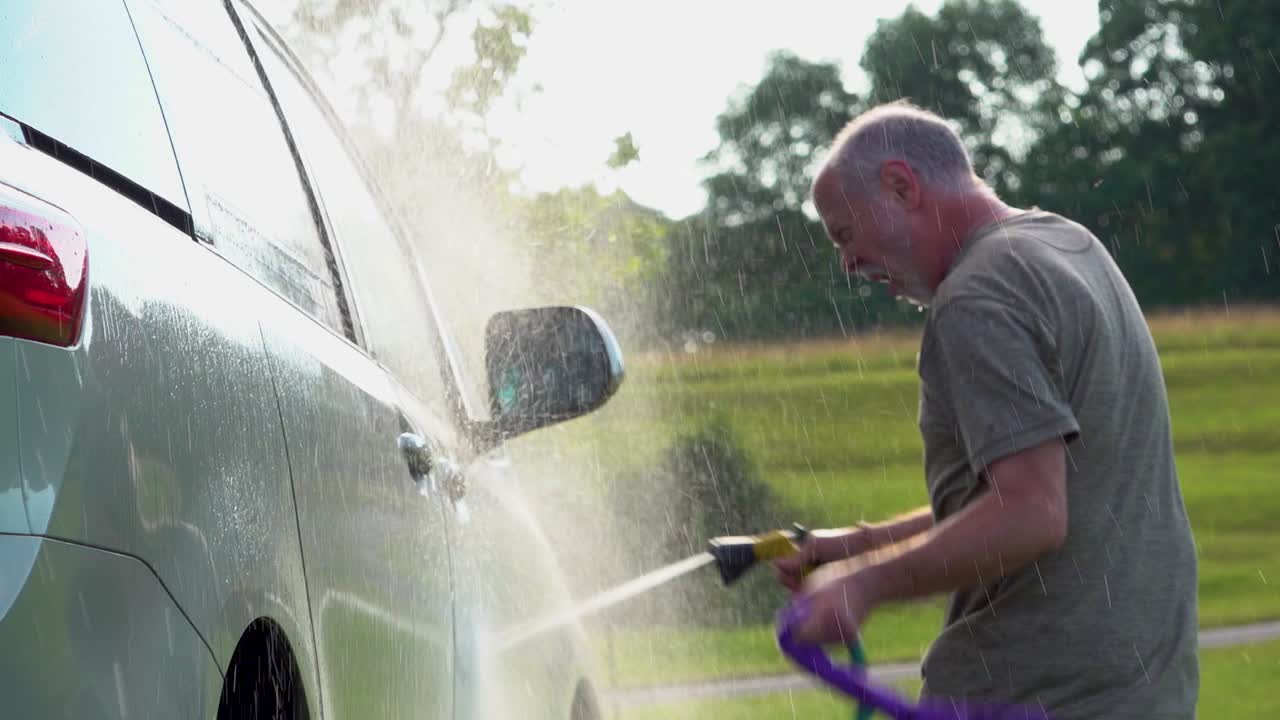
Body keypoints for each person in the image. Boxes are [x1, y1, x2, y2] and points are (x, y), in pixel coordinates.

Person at [774, 100, 1199, 718]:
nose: (848, 262)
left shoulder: (977, 297)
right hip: (1140, 688)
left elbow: (1031, 512)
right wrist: (859, 546)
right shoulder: (1065, 243)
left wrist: (866, 587)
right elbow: (1025, 487)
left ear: (901, 186)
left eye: (845, 233)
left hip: (1034, 691)